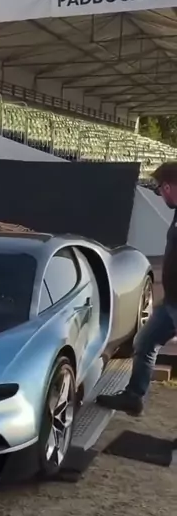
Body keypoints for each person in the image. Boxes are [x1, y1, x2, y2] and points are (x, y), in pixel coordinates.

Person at [97, 161, 177, 416]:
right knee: (145, 341)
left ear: (168, 186)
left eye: (159, 190)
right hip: (171, 303)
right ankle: (134, 397)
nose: (160, 195)